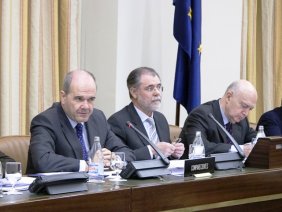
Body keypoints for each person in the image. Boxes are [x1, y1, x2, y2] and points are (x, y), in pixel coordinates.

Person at [26, 69, 135, 174]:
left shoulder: (97, 118)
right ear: (63, 97)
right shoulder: (46, 121)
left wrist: (114, 158)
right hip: (58, 191)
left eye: (91, 99)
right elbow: (43, 161)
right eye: (79, 99)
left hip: (95, 188)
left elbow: (127, 153)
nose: (86, 106)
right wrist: (88, 165)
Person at [108, 67, 184, 160]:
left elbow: (163, 158)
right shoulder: (118, 121)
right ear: (134, 92)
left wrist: (173, 153)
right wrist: (152, 150)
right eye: (150, 88)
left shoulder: (160, 118)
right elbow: (119, 158)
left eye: (159, 87)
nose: (157, 93)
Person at [180, 79, 257, 159]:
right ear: (229, 97)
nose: (246, 113)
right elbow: (201, 149)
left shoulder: (241, 119)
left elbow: (254, 138)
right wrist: (240, 149)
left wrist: (259, 143)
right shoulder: (200, 115)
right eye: (244, 106)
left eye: (250, 109)